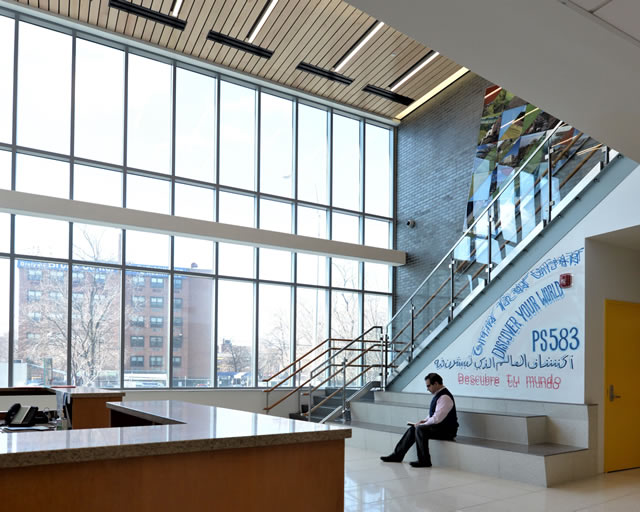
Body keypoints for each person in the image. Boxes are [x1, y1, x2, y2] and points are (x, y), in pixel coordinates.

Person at [380, 372, 458, 468]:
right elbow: (433, 415)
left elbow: (437, 418)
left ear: (436, 384)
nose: (427, 389)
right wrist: (424, 421)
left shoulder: (445, 397)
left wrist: (422, 425)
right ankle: (397, 455)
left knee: (420, 429)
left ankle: (424, 460)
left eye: (428, 386)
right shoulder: (439, 395)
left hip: (447, 431)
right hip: (439, 428)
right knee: (413, 428)